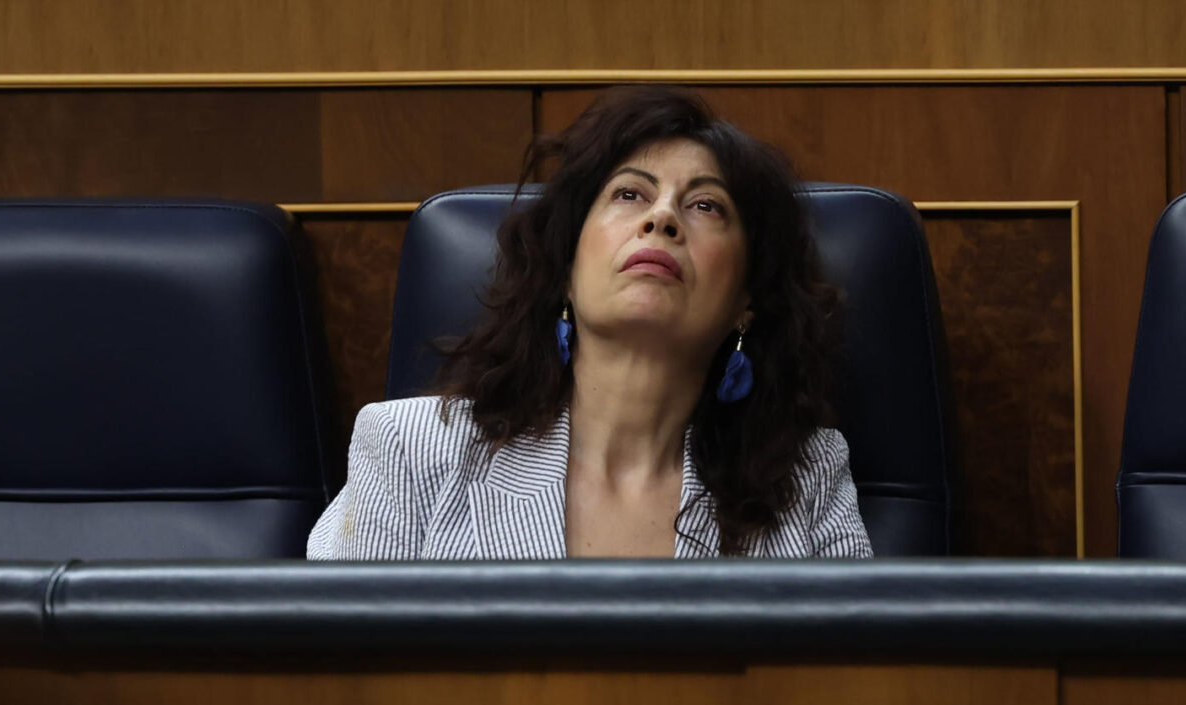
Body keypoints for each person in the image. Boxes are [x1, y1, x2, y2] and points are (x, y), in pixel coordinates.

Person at [307, 85, 873, 560]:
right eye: (630, 194)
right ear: (566, 272)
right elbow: (338, 682)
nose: (662, 218)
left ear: (745, 301)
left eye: (705, 206)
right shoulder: (412, 450)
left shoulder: (807, 481)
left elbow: (856, 687)